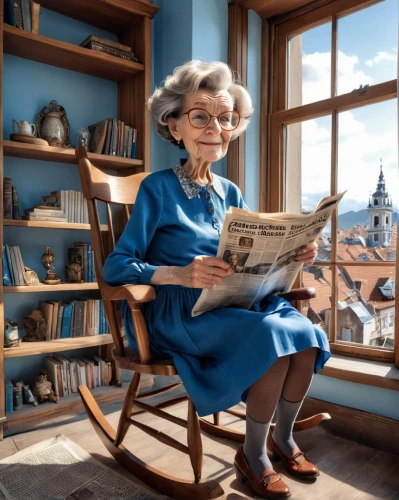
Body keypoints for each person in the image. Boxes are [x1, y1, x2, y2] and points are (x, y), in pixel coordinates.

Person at [103, 60, 330, 499]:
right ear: (174, 126)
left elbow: (246, 257)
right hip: (181, 311)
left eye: (226, 118)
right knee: (274, 340)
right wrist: (180, 273)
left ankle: (281, 439)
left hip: (232, 303)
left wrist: (294, 255)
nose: (216, 127)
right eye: (201, 116)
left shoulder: (230, 191)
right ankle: (254, 454)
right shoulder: (157, 188)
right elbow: (116, 267)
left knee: (305, 332)